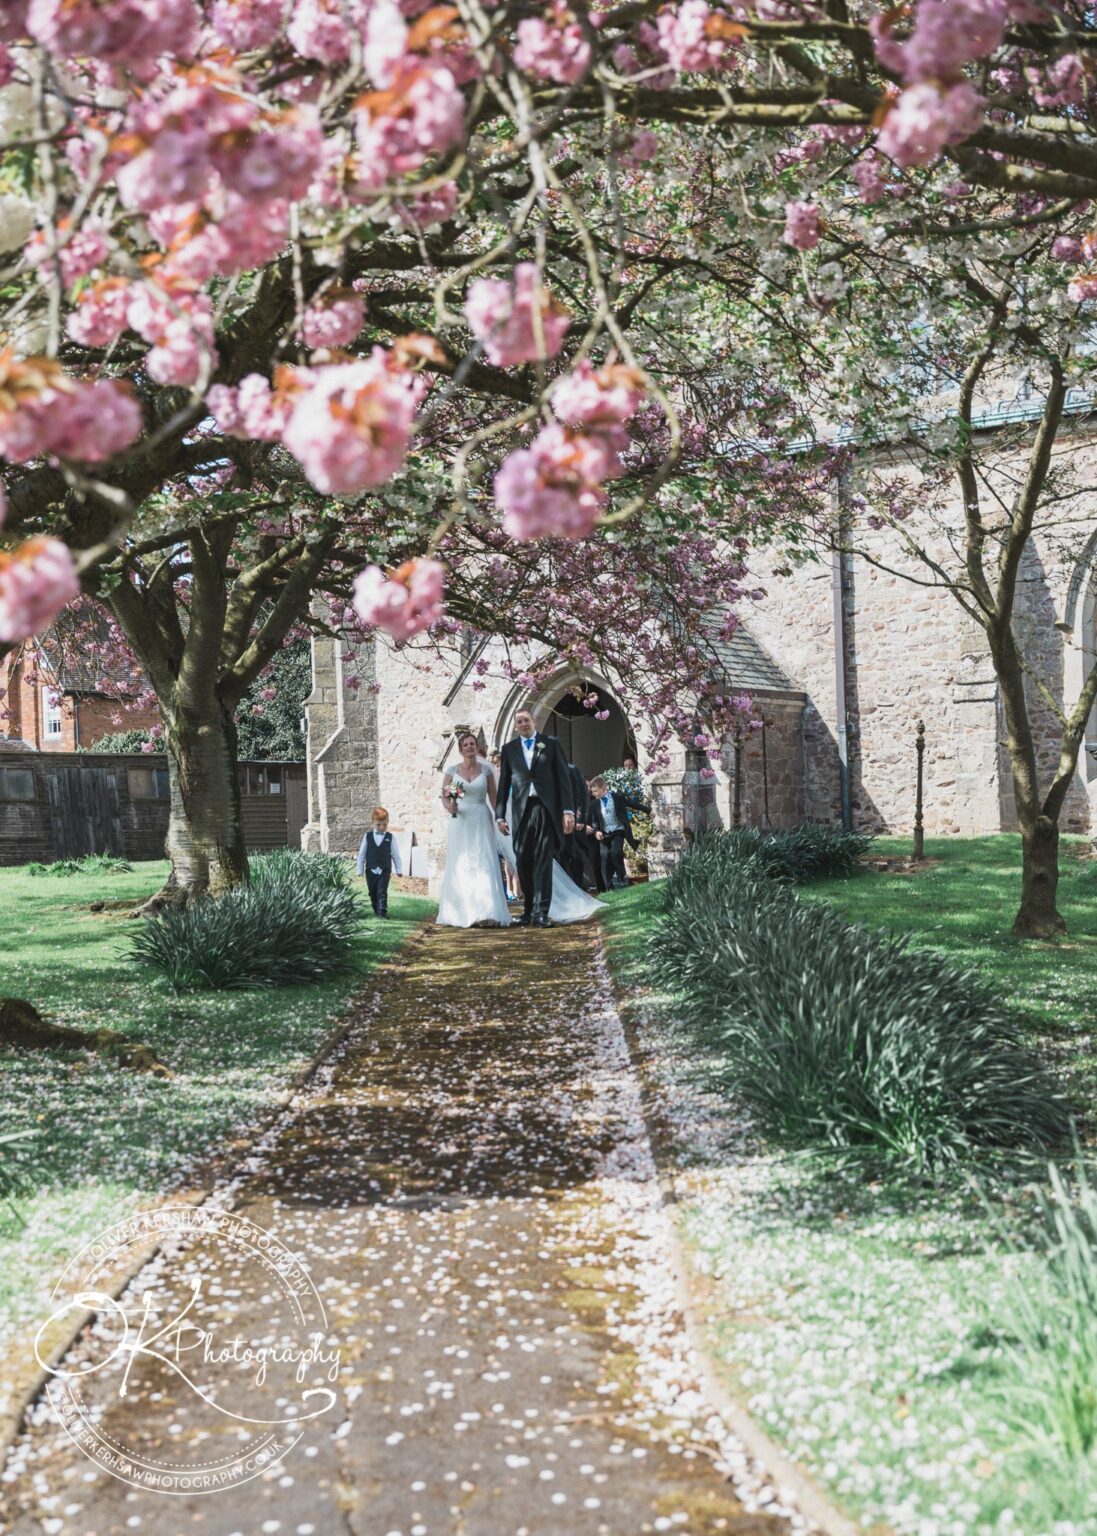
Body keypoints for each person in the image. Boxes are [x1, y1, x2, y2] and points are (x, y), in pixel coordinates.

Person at [494, 709, 575, 928]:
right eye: (519, 721)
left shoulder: (550, 744)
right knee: (523, 860)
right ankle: (528, 909)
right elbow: (504, 784)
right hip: (521, 811)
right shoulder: (509, 749)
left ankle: (541, 912)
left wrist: (568, 810)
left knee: (543, 860)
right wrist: (499, 815)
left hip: (545, 809)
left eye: (526, 720)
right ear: (515, 726)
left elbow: (563, 779)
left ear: (534, 722)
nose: (523, 724)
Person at [436, 730, 512, 928]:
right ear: (461, 750)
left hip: (480, 818)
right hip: (460, 820)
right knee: (462, 862)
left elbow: (494, 799)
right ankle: (462, 912)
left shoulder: (486, 771)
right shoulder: (452, 771)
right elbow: (445, 796)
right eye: (466, 745)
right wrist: (449, 806)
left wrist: (500, 819)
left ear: (477, 747)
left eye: (472, 744)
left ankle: (486, 911)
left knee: (483, 861)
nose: (470, 747)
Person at [590, 774, 649, 889]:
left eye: (595, 791)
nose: (593, 794)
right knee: (605, 859)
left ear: (603, 788)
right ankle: (609, 887)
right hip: (605, 834)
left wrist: (648, 810)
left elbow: (632, 804)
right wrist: (596, 831)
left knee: (616, 853)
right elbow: (594, 821)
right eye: (592, 792)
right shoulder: (594, 804)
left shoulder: (617, 798)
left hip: (618, 831)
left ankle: (622, 876)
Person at [356, 805, 402, 917]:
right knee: (372, 892)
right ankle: (376, 909)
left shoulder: (390, 837)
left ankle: (382, 912)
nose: (382, 827)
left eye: (384, 824)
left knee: (382, 891)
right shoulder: (367, 837)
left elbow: (396, 855)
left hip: (384, 869)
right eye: (378, 825)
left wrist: (399, 869)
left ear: (388, 822)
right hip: (370, 870)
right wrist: (360, 870)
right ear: (373, 823)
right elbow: (362, 855)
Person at [491, 748, 520, 902]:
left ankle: (517, 888)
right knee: (505, 859)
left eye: (501, 765)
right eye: (496, 766)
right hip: (499, 822)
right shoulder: (492, 783)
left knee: (514, 856)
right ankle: (508, 888)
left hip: (513, 821)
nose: (499, 768)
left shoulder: (513, 782)